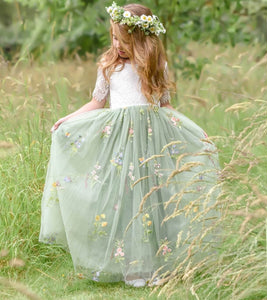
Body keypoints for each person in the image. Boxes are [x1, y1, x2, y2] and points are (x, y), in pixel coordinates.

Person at [39, 2, 220, 288]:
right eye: (114, 38)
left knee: (153, 200)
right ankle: (128, 266)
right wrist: (68, 118)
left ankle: (157, 265)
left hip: (151, 143)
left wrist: (197, 133)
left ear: (141, 39)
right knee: (122, 201)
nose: (118, 45)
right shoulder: (109, 66)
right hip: (120, 145)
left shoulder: (157, 64)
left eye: (124, 40)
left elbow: (167, 107)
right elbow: (97, 102)